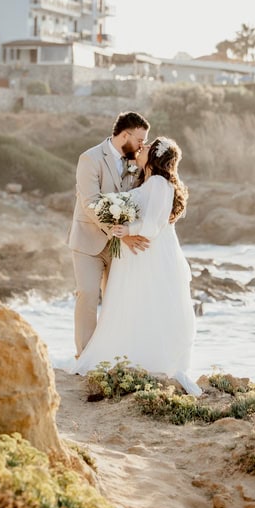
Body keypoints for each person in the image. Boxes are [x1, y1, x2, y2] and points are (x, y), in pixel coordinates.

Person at [73, 136, 201, 396]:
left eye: (146, 147)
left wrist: (126, 228)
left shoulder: (158, 183)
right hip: (137, 253)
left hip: (147, 252)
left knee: (141, 301)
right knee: (132, 301)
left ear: (154, 156)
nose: (140, 148)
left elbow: (153, 223)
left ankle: (138, 358)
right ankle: (124, 356)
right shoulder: (149, 182)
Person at [68, 111, 151, 356]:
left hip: (121, 248)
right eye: (139, 139)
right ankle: (84, 357)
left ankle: (109, 355)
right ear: (125, 135)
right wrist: (119, 233)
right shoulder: (90, 158)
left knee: (116, 301)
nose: (142, 145)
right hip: (88, 241)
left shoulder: (136, 162)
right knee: (88, 294)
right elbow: (90, 202)